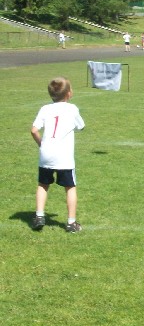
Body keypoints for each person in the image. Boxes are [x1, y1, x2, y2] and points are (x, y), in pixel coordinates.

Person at [31, 77, 85, 232]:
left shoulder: (45, 109)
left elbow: (34, 130)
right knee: (70, 187)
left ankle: (39, 216)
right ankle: (71, 223)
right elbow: (81, 126)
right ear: (69, 93)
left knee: (43, 184)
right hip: (64, 157)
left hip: (46, 155)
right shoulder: (72, 109)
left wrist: (41, 144)